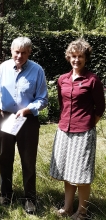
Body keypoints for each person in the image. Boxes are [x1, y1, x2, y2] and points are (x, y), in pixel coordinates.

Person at [0, 37, 48, 214]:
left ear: (29, 52)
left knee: (28, 160)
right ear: (11, 51)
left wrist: (28, 110)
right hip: (5, 118)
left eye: (24, 53)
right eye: (17, 52)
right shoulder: (3, 68)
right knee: (5, 157)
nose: (20, 56)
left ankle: (30, 198)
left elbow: (43, 99)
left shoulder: (37, 70)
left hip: (27, 121)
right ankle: (5, 194)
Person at [49, 39, 105, 220]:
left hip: (84, 132)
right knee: (67, 170)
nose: (76, 60)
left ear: (85, 58)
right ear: (68, 57)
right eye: (73, 56)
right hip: (64, 129)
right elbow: (62, 104)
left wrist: (88, 123)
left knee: (81, 173)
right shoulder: (62, 80)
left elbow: (100, 108)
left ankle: (82, 212)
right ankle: (67, 207)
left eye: (80, 56)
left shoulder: (92, 80)